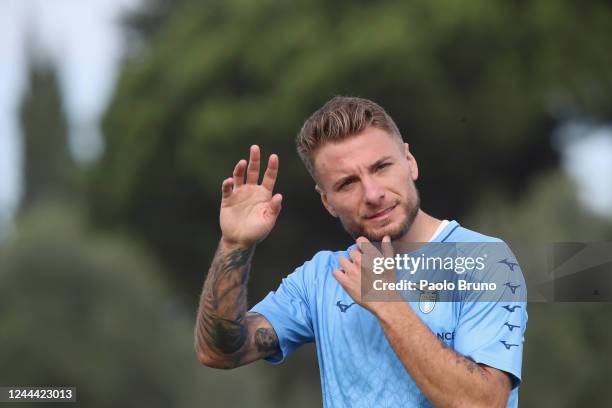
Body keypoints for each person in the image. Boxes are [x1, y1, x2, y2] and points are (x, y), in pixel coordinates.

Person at [195, 96, 527, 407]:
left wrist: (386, 302)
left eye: (381, 167)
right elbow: (221, 352)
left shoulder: (485, 261)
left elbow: (483, 402)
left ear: (409, 162)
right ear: (327, 201)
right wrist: (234, 246)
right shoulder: (321, 278)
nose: (372, 193)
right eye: (346, 184)